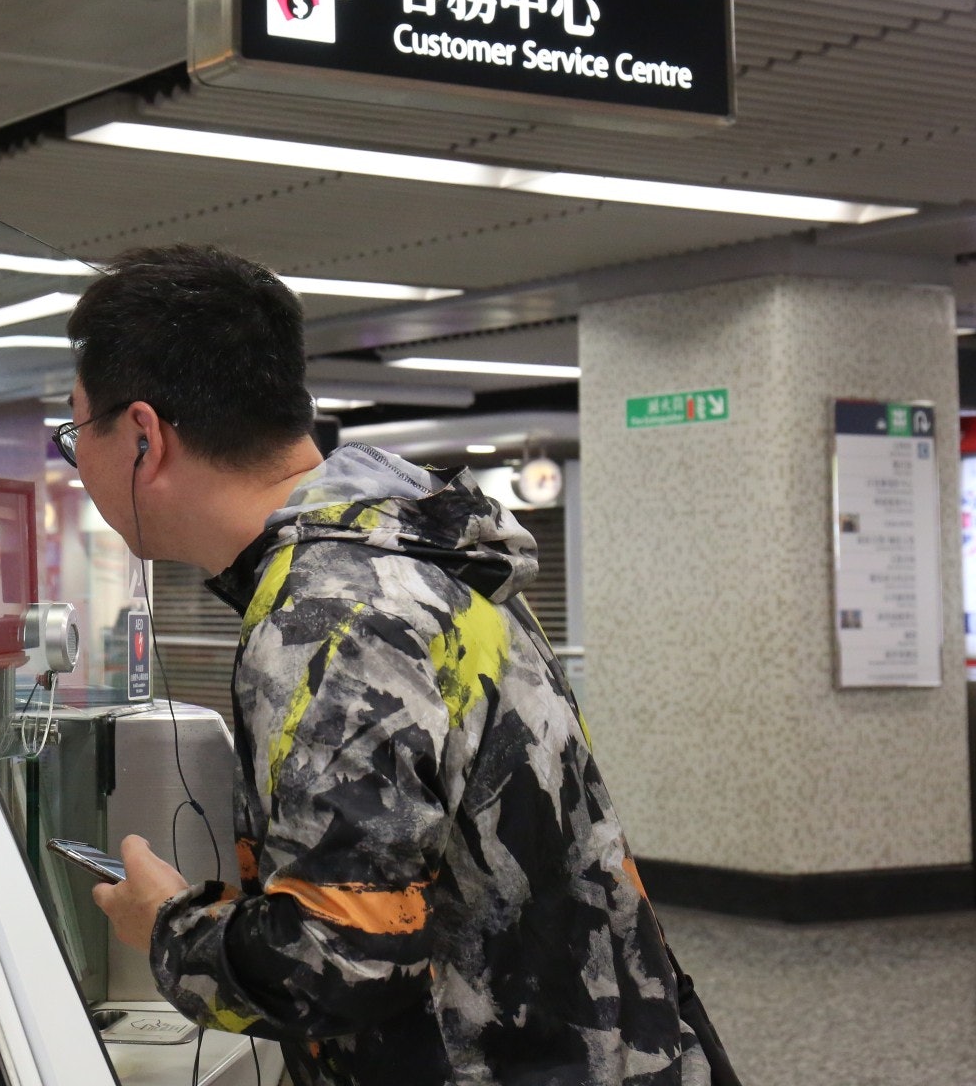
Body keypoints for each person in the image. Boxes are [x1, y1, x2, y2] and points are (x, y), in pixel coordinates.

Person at [63, 245, 707, 1086]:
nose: (77, 463)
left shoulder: (329, 619)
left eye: (77, 431)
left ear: (144, 435)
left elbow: (342, 963)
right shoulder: (417, 556)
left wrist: (166, 928)